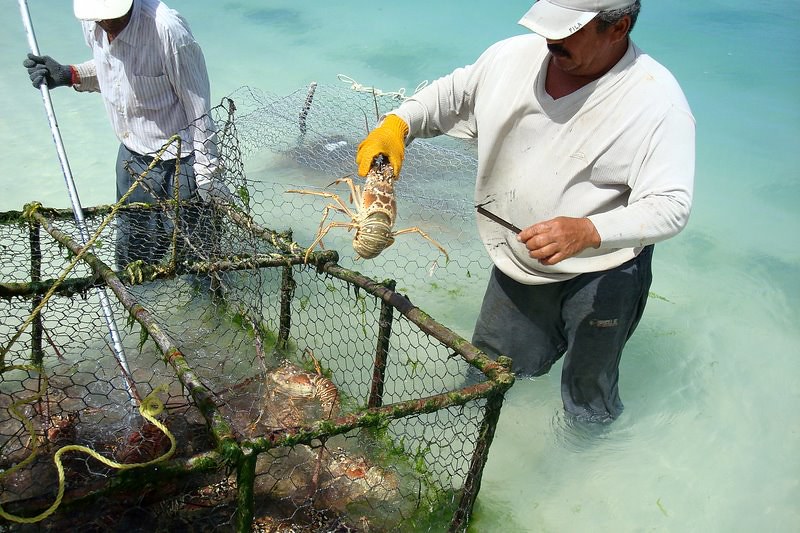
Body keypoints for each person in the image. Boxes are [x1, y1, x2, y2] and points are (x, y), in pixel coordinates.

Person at [356, 0, 695, 422]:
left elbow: (671, 205)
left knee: (588, 395)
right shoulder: (512, 57)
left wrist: (588, 230)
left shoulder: (656, 99)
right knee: (488, 372)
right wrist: (398, 124)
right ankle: (477, 433)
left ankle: (583, 460)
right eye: (548, 26)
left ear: (618, 27)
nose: (551, 39)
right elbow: (451, 95)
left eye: (568, 30)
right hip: (518, 254)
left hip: (606, 272)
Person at [24, 0, 230, 270]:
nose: (105, 23)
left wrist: (207, 180)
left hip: (182, 163)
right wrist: (69, 74)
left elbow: (199, 112)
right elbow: (115, 71)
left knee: (199, 266)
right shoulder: (94, 19)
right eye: (98, 17)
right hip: (131, 160)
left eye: (112, 16)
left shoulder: (168, 32)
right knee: (133, 265)